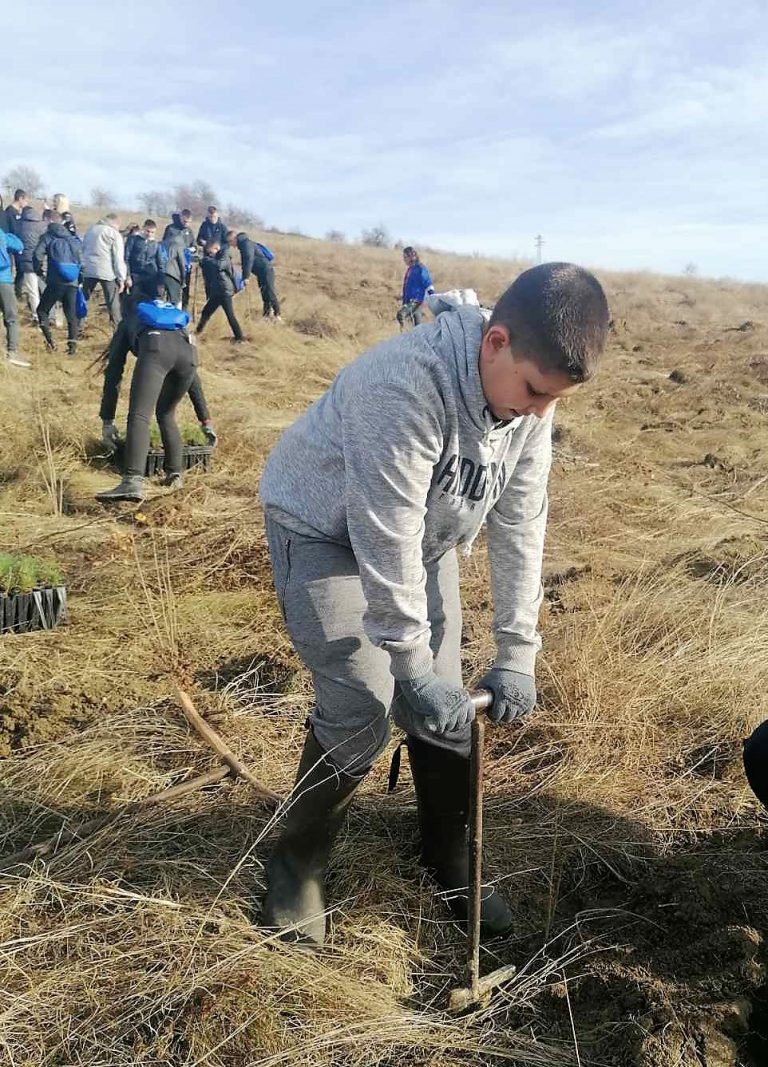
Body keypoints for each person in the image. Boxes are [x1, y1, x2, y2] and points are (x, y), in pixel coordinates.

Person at [258, 262, 610, 947]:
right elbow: (383, 529)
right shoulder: (402, 385)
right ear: (496, 342)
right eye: (534, 391)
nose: (540, 413)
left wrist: (516, 652)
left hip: (422, 539)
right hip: (325, 530)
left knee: (446, 704)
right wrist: (408, 664)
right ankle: (296, 866)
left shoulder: (529, 403)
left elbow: (520, 521)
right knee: (362, 702)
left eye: (554, 399)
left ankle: (448, 856)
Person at [95, 295, 213, 503]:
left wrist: (107, 420)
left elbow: (114, 372)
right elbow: (193, 378)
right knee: (166, 414)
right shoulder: (173, 321)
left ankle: (132, 481)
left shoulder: (129, 321)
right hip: (190, 356)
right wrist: (206, 420)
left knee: (139, 416)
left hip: (156, 348)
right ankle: (175, 475)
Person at [32, 211, 83, 356]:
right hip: (72, 281)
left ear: (49, 221)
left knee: (42, 310)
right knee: (71, 315)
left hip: (55, 281)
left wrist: (39, 271)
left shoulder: (47, 237)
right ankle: (72, 348)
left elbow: (37, 255)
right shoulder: (72, 238)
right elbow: (81, 260)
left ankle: (50, 342)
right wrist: (80, 279)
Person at [195, 231, 245, 343]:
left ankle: (240, 338)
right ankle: (197, 332)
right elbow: (209, 266)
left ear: (216, 248)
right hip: (217, 291)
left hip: (225, 291)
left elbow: (219, 266)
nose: (210, 254)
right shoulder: (213, 257)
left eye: (211, 252)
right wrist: (201, 261)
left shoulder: (225, 254)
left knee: (230, 315)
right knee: (206, 312)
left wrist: (206, 260)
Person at [82, 213, 127, 328]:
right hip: (107, 272)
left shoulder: (91, 230)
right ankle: (117, 329)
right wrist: (121, 278)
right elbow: (118, 258)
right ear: (115, 223)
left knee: (83, 298)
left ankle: (78, 324)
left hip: (89, 270)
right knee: (113, 302)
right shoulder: (113, 234)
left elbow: (83, 249)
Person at [0, 225, 30, 367]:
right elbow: (19, 245)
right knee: (10, 317)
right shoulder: (2, 235)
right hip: (4, 280)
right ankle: (12, 352)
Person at [236, 232, 282, 321]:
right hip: (261, 272)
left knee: (270, 292)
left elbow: (248, 260)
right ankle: (266, 316)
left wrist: (246, 277)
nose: (232, 245)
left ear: (235, 239)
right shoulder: (245, 245)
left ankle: (277, 315)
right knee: (264, 293)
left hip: (266, 270)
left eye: (231, 242)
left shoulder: (246, 245)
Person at [16, 205, 47, 323]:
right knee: (46, 289)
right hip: (41, 261)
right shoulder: (42, 225)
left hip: (27, 262)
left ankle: (37, 316)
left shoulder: (20, 225)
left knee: (33, 291)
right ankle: (49, 315)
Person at [125, 219, 168, 299]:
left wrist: (161, 283)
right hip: (136, 276)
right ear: (143, 228)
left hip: (151, 278)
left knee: (151, 301)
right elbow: (126, 258)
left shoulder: (156, 244)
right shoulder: (133, 240)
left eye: (152, 232)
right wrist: (128, 276)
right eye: (148, 231)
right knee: (135, 301)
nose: (149, 234)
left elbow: (160, 264)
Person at [163, 210, 196, 309]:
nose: (187, 224)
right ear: (180, 217)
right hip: (173, 264)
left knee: (186, 288)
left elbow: (194, 245)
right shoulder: (171, 229)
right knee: (173, 289)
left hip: (186, 263)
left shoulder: (189, 231)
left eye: (189, 222)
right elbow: (165, 244)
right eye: (185, 221)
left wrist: (192, 249)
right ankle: (170, 308)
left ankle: (184, 309)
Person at [397, 246, 434, 329]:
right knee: (417, 326)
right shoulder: (410, 269)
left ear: (411, 256)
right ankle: (418, 335)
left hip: (415, 300)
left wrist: (432, 297)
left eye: (405, 257)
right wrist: (402, 296)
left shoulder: (420, 268)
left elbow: (428, 283)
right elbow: (409, 286)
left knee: (401, 315)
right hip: (409, 300)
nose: (404, 259)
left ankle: (404, 333)